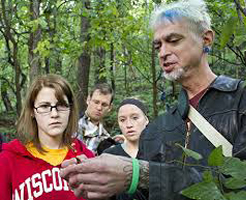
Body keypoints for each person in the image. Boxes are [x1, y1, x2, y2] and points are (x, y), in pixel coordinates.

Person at [60, 0, 246, 199]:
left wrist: (142, 173)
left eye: (173, 40)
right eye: (158, 46)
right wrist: (99, 183)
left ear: (206, 39)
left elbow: (237, 186)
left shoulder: (240, 101)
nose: (163, 53)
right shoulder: (158, 129)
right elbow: (143, 194)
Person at [0, 74, 94, 200]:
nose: (54, 114)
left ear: (70, 109)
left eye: (61, 105)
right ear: (32, 111)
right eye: (44, 106)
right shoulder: (8, 160)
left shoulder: (86, 158)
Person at [104, 98, 149, 200]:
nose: (128, 125)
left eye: (135, 118)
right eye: (122, 120)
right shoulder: (110, 155)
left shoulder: (161, 152)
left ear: (146, 120)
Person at [77, 83, 114, 154]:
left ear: (109, 108)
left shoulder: (106, 139)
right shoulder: (70, 123)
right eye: (96, 102)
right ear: (88, 100)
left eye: (104, 105)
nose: (99, 108)